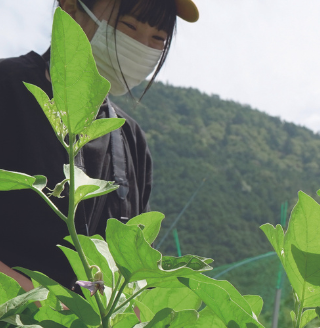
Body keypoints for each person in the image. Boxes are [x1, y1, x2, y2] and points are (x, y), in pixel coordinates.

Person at [0, 0, 198, 291]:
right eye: (128, 26)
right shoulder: (8, 88)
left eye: (158, 39)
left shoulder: (130, 138)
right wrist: (45, 306)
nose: (141, 46)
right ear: (70, 8)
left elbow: (135, 273)